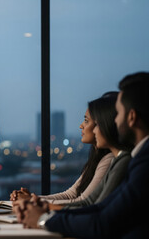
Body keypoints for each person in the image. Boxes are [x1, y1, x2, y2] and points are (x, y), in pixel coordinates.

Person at [15, 72, 149, 238]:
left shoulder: (139, 162)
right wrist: (42, 211)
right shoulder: (135, 158)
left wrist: (43, 218)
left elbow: (101, 219)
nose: (114, 121)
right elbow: (99, 207)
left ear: (132, 117)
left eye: (118, 113)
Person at [10, 98, 114, 204]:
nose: (81, 126)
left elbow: (83, 202)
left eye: (86, 121)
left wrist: (33, 201)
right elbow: (70, 195)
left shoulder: (108, 160)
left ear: (104, 125)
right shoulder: (96, 159)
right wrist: (32, 198)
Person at [62, 92, 133, 209]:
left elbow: (92, 207)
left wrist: (42, 212)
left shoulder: (117, 160)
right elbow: (87, 202)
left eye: (96, 124)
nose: (81, 126)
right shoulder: (114, 160)